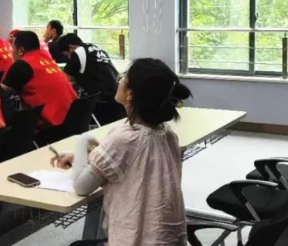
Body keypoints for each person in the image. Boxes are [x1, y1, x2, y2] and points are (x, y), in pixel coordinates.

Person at [50, 59, 192, 246]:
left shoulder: (124, 138)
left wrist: (83, 141)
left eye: (124, 77)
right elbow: (133, 161)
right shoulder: (168, 134)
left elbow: (81, 187)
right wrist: (85, 157)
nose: (119, 79)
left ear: (130, 94)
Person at [0, 31, 77, 127]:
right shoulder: (47, 58)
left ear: (21, 51)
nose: (11, 52)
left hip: (53, 125)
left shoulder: (23, 64)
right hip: (75, 118)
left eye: (13, 48)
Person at [58, 33, 126, 125]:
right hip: (115, 94)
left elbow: (65, 79)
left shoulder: (79, 51)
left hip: (102, 100)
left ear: (71, 48)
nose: (69, 58)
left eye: (67, 55)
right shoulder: (96, 48)